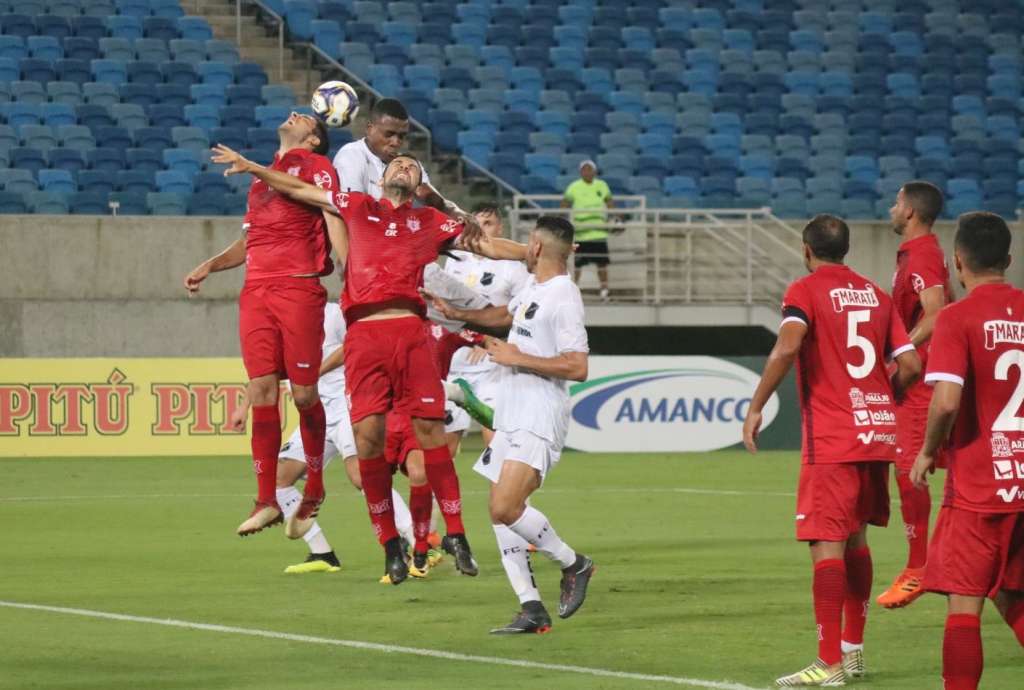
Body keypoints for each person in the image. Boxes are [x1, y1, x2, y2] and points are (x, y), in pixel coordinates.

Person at [210, 143, 528, 585]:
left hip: (410, 333)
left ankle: (455, 534)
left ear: (419, 186)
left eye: (412, 167)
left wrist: (533, 254)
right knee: (368, 442)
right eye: (397, 162)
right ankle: (389, 545)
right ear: (380, 180)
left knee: (430, 433)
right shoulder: (357, 206)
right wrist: (253, 168)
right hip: (364, 337)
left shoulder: (430, 221)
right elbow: (303, 190)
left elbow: (488, 244)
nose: (402, 165)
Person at [743, 214, 921, 687]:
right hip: (876, 431)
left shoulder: (805, 290)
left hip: (834, 435)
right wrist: (885, 400)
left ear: (807, 249)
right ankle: (853, 651)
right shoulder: (876, 294)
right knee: (857, 539)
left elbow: (787, 346)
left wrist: (757, 405)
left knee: (827, 544)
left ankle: (828, 663)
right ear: (847, 249)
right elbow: (911, 362)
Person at [425, 216, 596, 635]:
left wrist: (517, 358)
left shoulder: (564, 296)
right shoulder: (531, 287)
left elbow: (578, 366)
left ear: (536, 246)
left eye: (528, 241)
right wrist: (460, 314)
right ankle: (531, 607)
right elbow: (507, 315)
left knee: (506, 507)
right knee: (498, 513)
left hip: (540, 412)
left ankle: (575, 564)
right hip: (512, 408)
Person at [185, 113, 339, 537]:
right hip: (256, 292)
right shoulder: (262, 179)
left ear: (313, 138)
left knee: (305, 395)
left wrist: (254, 167)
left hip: (298, 288)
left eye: (304, 117)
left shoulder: (317, 167)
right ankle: (266, 499)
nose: (294, 115)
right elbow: (252, 239)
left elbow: (320, 200)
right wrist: (212, 265)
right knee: (262, 390)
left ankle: (316, 489)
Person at [909, 212, 1024, 690]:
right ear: (1009, 259)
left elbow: (947, 401)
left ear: (958, 262)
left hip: (977, 487)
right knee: (1014, 596)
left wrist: (926, 451)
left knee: (964, 604)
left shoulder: (957, 318)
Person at [226, 301, 356, 573]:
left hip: (347, 404)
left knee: (362, 477)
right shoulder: (279, 324)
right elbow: (267, 372)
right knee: (279, 478)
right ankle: (323, 553)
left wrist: (315, 371)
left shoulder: (334, 313)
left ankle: (414, 541)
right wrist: (244, 405)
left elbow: (355, 344)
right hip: (316, 413)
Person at [876, 181, 955, 610]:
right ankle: (942, 562)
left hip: (922, 380)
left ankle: (920, 568)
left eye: (896, 202)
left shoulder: (922, 252)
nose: (891, 208)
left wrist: (901, 351)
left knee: (910, 469)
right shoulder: (919, 253)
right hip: (927, 373)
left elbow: (938, 310)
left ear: (909, 211)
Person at [443, 203, 530, 446]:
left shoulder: (512, 266)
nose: (482, 230)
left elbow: (523, 314)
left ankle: (502, 483)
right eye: (477, 224)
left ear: (500, 227)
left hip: (492, 364)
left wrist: (494, 340)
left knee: (495, 439)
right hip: (454, 360)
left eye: (488, 224)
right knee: (442, 447)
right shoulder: (454, 259)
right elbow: (445, 309)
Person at [332, 97, 453, 213]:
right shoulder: (351, 155)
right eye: (389, 134)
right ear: (370, 129)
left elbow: (437, 201)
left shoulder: (407, 163)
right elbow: (352, 212)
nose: (396, 142)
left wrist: (462, 215)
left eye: (401, 136)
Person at [561, 159, 613, 302]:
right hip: (581, 234)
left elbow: (610, 202)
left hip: (599, 233)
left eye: (589, 169)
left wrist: (615, 217)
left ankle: (604, 291)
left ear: (594, 171)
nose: (587, 172)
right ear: (580, 172)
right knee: (577, 265)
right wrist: (563, 219)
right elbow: (565, 203)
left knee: (602, 264)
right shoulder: (574, 186)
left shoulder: (602, 185)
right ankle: (572, 292)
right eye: (584, 169)